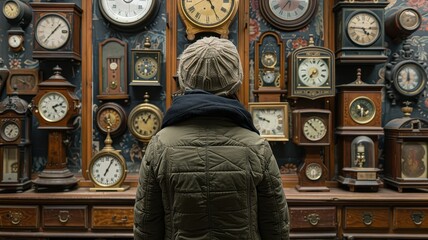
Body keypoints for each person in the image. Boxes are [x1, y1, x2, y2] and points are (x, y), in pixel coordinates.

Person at [134, 36, 289, 240]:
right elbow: (277, 229)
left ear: (184, 79)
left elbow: (146, 230)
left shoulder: (160, 145)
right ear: (236, 80)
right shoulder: (256, 146)